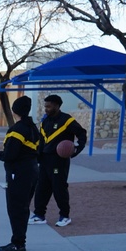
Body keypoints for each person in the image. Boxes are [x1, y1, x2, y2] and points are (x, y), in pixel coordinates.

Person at [30, 94, 87, 227]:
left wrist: (77, 149)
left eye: (49, 106)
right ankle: (39, 215)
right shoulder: (45, 121)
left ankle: (64, 216)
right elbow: (42, 140)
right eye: (45, 106)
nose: (46, 108)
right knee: (41, 188)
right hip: (45, 160)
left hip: (59, 161)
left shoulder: (67, 120)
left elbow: (81, 133)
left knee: (59, 188)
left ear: (57, 105)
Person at [0, 95, 40, 251]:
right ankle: (19, 240)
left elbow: (11, 153)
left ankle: (18, 243)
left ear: (15, 110)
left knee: (16, 208)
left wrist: (1, 155)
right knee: (23, 207)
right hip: (32, 170)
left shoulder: (17, 129)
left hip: (19, 173)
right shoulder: (33, 127)